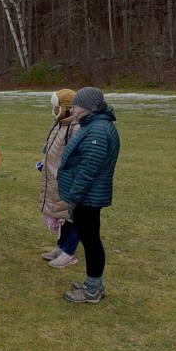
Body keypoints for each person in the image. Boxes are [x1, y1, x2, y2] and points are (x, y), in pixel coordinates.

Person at [58, 87, 120, 303]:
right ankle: (94, 284)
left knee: (91, 241)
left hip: (88, 197)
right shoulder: (94, 124)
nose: (73, 109)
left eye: (75, 105)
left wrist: (74, 197)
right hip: (87, 196)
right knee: (90, 239)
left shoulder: (98, 131)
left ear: (88, 107)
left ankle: (92, 290)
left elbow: (88, 170)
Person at [38, 89, 81, 268]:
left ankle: (69, 252)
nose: (54, 111)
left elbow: (77, 157)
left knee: (72, 216)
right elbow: (51, 149)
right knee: (61, 215)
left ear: (68, 108)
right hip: (54, 179)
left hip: (67, 181)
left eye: (57, 108)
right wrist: (43, 163)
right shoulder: (58, 124)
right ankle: (61, 246)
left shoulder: (75, 127)